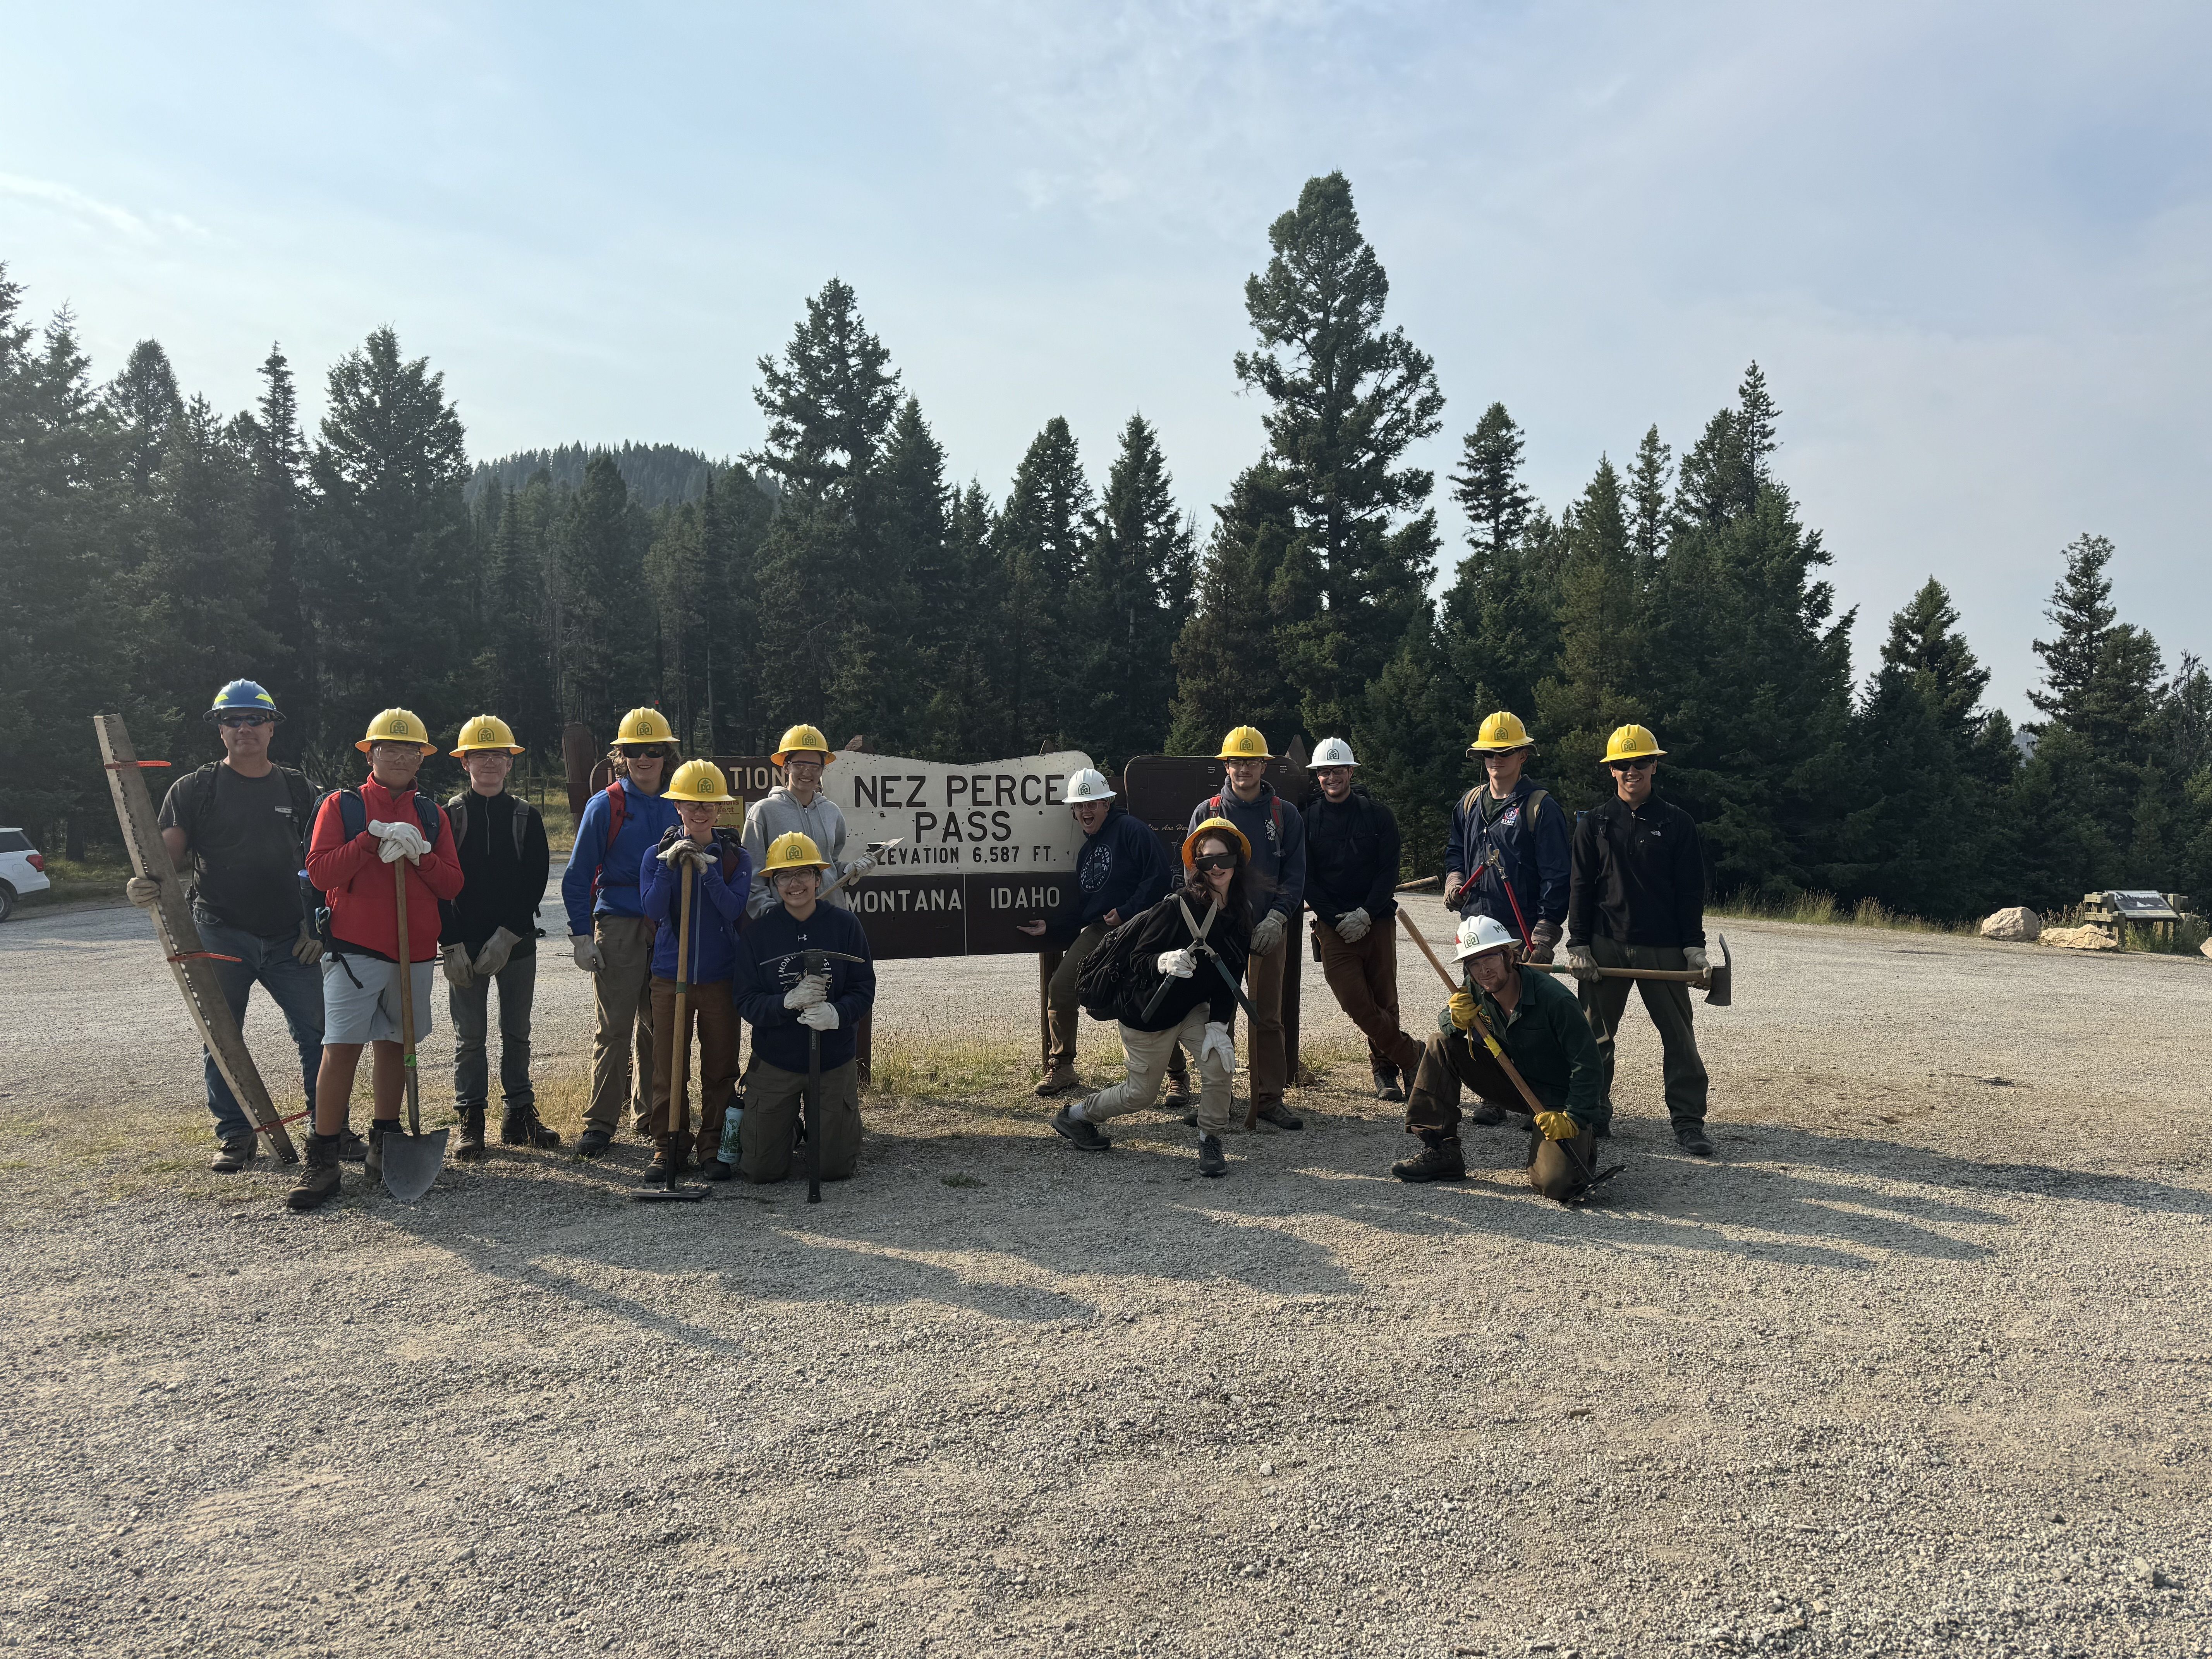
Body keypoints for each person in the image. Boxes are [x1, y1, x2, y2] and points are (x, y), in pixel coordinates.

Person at [133, 679, 342, 1172]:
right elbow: (165, 859)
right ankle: (235, 1136)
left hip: (294, 938)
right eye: (234, 720)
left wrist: (318, 929)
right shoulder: (195, 789)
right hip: (220, 932)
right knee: (223, 1035)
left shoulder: (299, 789)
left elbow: (324, 865)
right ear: (220, 729)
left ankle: (327, 1132)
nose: (244, 728)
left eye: (255, 719)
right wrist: (141, 885)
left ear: (272, 727)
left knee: (321, 1035)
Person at [287, 709, 464, 1211]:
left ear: (422, 758)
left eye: (411, 750)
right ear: (370, 753)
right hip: (353, 952)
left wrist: (419, 857)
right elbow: (320, 874)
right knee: (342, 1047)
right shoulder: (342, 808)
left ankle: (384, 1141)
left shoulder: (432, 814)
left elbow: (452, 883)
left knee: (395, 1044)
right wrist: (369, 841)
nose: (401, 757)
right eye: (390, 748)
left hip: (413, 954)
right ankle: (322, 1156)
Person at [1048, 818, 1254, 1178]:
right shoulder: (1177, 907)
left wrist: (1220, 1024)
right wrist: (1163, 961)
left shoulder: (1240, 912)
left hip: (1192, 1010)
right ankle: (1076, 1116)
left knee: (1219, 1066)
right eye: (1207, 861)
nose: (1217, 868)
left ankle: (1210, 1140)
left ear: (1238, 861)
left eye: (1225, 859)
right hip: (1148, 1013)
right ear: (1196, 866)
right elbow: (1136, 960)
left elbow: (1230, 975)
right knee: (1140, 1095)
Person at [1565, 724, 1715, 1158]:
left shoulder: (1678, 822)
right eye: (1622, 764)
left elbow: (1690, 890)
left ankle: (1689, 1123)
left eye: (1641, 763)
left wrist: (1693, 946)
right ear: (1611, 770)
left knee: (1680, 1039)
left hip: (1664, 948)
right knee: (1593, 1038)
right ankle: (1593, 1114)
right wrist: (1578, 944)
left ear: (1655, 765)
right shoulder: (1593, 824)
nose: (1633, 771)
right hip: (1604, 945)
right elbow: (1580, 887)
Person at [1391, 914, 1608, 1202]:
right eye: (1473, 964)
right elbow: (1447, 1022)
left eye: (1489, 959)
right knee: (1441, 1043)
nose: (1483, 971)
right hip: (1512, 1084)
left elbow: (1589, 1066)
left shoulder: (1556, 1001)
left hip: (1556, 1099)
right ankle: (1442, 1151)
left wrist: (1575, 1116)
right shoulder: (1475, 988)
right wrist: (1455, 1020)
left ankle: (1583, 1138)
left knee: (1557, 1186)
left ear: (1510, 955)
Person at [560, 708, 683, 1158]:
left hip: (668, 926)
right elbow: (576, 878)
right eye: (636, 751)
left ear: (666, 755)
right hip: (619, 923)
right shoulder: (607, 804)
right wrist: (581, 936)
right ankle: (599, 1123)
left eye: (654, 750)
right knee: (614, 1030)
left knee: (659, 1025)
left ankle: (651, 1113)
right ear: (622, 756)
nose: (645, 759)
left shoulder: (680, 801)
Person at [1170, 725, 1305, 1129]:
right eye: (1235, 761)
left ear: (1265, 765)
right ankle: (1218, 1098)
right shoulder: (1208, 812)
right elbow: (1193, 872)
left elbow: (1295, 874)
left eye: (1251, 761)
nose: (1243, 768)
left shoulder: (1285, 815)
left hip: (1268, 927)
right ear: (1225, 765)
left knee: (1267, 1015)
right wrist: (1210, 921)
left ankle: (1268, 1098)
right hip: (1219, 932)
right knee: (1216, 1016)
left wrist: (1279, 917)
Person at [437, 714, 557, 1160]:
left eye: (498, 756)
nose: (489, 763)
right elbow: (437, 884)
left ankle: (519, 1116)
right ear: (464, 762)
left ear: (510, 764)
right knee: (469, 1037)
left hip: (517, 945)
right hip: (463, 947)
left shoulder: (527, 817)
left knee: (517, 1033)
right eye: (479, 755)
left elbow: (534, 881)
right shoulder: (448, 817)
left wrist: (507, 935)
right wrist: (450, 944)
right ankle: (471, 1119)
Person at [1441, 711, 1570, 1125]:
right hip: (1476, 931)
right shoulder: (1469, 803)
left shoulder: (1540, 807)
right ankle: (1494, 1095)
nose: (1496, 761)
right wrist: (1455, 877)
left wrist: (1547, 932)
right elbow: (1455, 850)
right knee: (1480, 1017)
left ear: (1523, 756)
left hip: (1520, 935)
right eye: (1489, 754)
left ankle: (1542, 1098)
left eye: (1505, 753)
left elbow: (1557, 873)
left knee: (1528, 1021)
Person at [732, 832, 877, 1185]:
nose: (794, 884)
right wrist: (785, 1002)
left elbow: (863, 988)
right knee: (761, 1172)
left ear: (818, 877)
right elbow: (746, 1002)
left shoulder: (844, 925)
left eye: (803, 874)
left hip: (831, 1060)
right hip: (776, 1061)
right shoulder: (758, 935)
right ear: (773, 883)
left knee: (834, 1170)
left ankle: (824, 1130)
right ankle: (791, 1130)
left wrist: (837, 1015)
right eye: (784, 876)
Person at [1021, 767, 1171, 1098]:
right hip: (1103, 931)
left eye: (1093, 804)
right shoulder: (1086, 853)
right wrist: (1053, 926)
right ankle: (1063, 1066)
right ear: (1073, 811)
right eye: (1079, 806)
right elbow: (1085, 908)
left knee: (1149, 996)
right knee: (1060, 987)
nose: (1086, 811)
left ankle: (1176, 1075)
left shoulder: (1131, 830)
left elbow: (1159, 877)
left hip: (1144, 927)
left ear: (1108, 803)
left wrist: (1129, 912)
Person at [638, 761, 753, 1183]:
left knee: (720, 1067)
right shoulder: (655, 855)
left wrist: (707, 873)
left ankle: (714, 1147)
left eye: (709, 804)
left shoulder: (737, 858)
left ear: (721, 809)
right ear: (679, 807)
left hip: (720, 978)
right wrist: (672, 867)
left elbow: (733, 908)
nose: (700, 812)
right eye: (692, 804)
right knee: (669, 1065)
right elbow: (651, 910)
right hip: (671, 976)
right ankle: (668, 1146)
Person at [1300, 737, 1425, 1104]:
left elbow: (1388, 871)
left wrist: (1367, 912)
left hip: (1377, 921)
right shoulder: (1307, 821)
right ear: (1317, 777)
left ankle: (1384, 1069)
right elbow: (1306, 876)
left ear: (1351, 772)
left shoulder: (1379, 816)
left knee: (1385, 999)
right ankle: (1411, 1054)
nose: (1332, 777)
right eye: (1325, 771)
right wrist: (1332, 916)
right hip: (1332, 926)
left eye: (1338, 770)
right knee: (1355, 1001)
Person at [740, 723, 878, 917]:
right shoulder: (763, 812)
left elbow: (829, 865)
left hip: (830, 916)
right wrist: (769, 915)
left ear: (823, 770)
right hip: (785, 920)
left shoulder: (832, 812)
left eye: (815, 767)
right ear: (786, 766)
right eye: (800, 765)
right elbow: (753, 875)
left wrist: (849, 870)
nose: (807, 773)